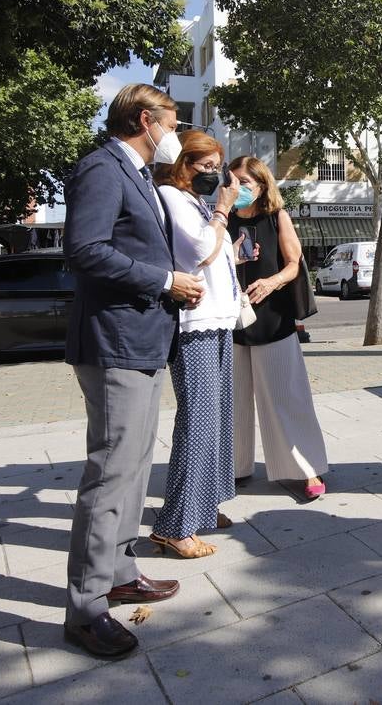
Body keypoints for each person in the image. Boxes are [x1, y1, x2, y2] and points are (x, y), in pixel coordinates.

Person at [62, 83, 201, 658]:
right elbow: (85, 250)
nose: (174, 132)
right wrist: (165, 281)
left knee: (136, 465)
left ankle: (119, 571)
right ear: (146, 120)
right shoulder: (102, 168)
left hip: (143, 340)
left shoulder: (140, 173)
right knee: (112, 472)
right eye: (171, 121)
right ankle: (86, 608)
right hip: (114, 341)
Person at [148, 130, 244, 560]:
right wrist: (223, 210)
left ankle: (203, 506)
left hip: (217, 321)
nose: (214, 174)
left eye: (215, 166)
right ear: (181, 164)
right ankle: (174, 525)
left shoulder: (193, 201)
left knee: (218, 419)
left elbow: (214, 254)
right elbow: (202, 249)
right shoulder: (171, 197)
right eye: (205, 166)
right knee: (199, 422)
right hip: (195, 325)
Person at [227, 154, 329, 500]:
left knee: (287, 398)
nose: (237, 188)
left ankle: (305, 469)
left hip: (273, 320)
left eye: (245, 182)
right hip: (230, 322)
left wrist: (271, 283)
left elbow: (294, 265)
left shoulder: (276, 217)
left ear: (261, 185)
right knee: (233, 402)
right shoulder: (219, 219)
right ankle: (235, 468)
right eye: (233, 181)